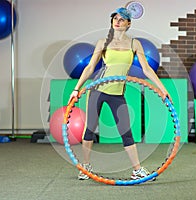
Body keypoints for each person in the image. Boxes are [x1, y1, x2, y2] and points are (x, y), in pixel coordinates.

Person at [69, 7, 169, 180]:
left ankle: (136, 169)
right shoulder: (103, 42)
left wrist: (162, 88)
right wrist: (76, 89)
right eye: (115, 18)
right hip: (97, 90)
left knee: (126, 132)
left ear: (128, 23)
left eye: (122, 19)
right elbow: (90, 67)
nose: (117, 21)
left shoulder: (134, 44)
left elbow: (146, 69)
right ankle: (85, 167)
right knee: (90, 129)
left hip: (117, 93)